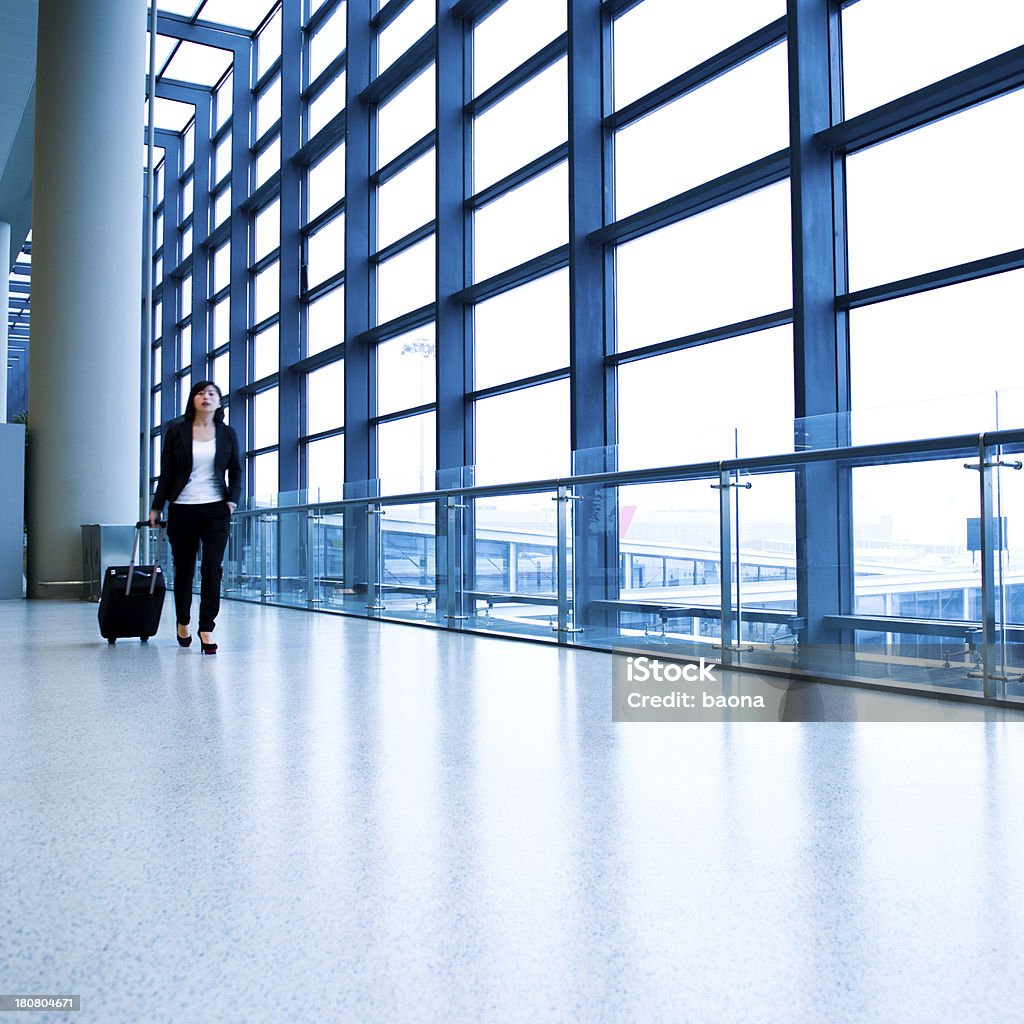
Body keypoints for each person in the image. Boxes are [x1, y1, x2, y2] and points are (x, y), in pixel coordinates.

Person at [149, 381, 241, 654]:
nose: (206, 397)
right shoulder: (177, 431)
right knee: (185, 570)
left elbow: (236, 470)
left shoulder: (227, 434)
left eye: (212, 393)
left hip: (216, 510)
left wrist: (232, 501)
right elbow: (167, 472)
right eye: (201, 393)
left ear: (219, 403)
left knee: (212, 568)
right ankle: (183, 621)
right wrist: (157, 507)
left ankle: (206, 628)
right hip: (183, 507)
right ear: (193, 400)